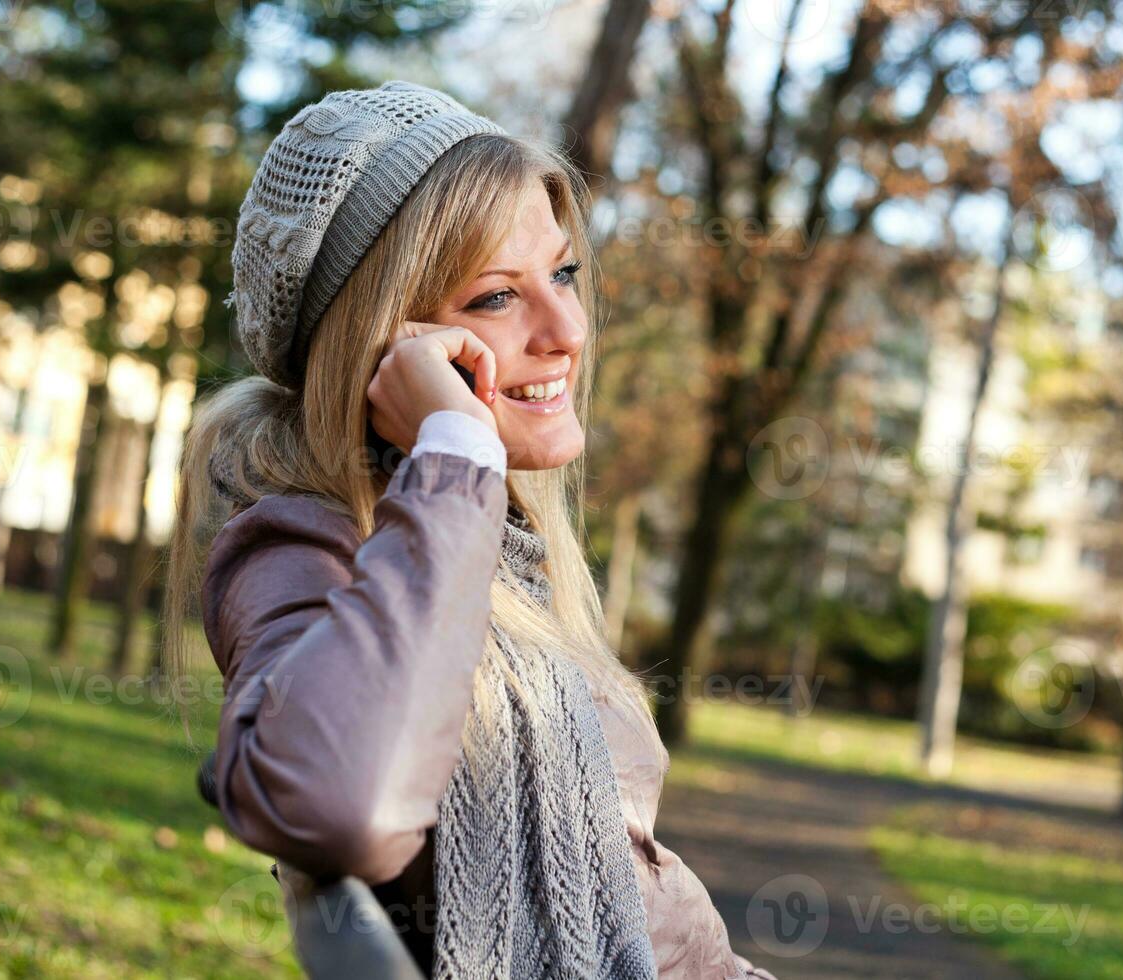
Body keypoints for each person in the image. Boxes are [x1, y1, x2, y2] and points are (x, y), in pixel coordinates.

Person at [164, 79, 776, 980]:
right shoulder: (307, 547)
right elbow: (340, 805)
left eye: (562, 274)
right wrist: (454, 450)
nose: (568, 328)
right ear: (387, 348)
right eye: (495, 298)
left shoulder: (499, 554)